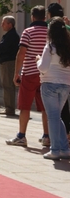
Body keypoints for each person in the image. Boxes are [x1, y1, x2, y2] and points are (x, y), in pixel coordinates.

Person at [6, 5, 49, 147]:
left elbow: (21, 53)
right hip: (46, 74)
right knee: (45, 107)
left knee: (25, 105)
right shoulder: (50, 32)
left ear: (32, 17)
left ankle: (22, 136)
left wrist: (16, 73)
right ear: (45, 17)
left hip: (30, 72)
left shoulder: (28, 32)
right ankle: (46, 136)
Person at [36, 17, 70, 160]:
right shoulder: (68, 47)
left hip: (49, 83)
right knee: (57, 117)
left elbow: (43, 67)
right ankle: (64, 148)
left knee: (53, 117)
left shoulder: (49, 47)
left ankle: (55, 150)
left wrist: (38, 60)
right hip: (65, 85)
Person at [46, 3, 70, 143]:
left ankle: (60, 138)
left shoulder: (52, 31)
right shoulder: (67, 28)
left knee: (59, 109)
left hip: (56, 75)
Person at [0, 16, 20, 116]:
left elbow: (3, 48)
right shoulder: (9, 35)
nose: (1, 25)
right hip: (6, 62)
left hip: (9, 62)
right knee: (7, 85)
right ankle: (8, 107)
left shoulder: (12, 36)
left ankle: (9, 109)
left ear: (10, 24)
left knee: (8, 85)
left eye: (3, 23)